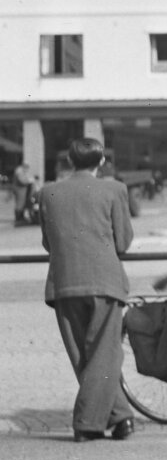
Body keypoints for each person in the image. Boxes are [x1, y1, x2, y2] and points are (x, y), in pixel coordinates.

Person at [36, 138, 136, 442]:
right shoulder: (115, 189)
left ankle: (120, 418)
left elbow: (47, 242)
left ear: (69, 161)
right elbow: (123, 241)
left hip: (64, 282)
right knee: (105, 354)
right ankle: (87, 424)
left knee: (85, 356)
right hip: (105, 280)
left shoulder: (48, 192)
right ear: (101, 161)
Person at [11, 160, 40, 225]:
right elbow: (22, 181)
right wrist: (30, 180)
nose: (27, 168)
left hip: (22, 190)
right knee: (20, 204)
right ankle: (18, 218)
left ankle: (21, 217)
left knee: (22, 204)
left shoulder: (22, 170)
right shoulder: (19, 171)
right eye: (27, 166)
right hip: (19, 190)